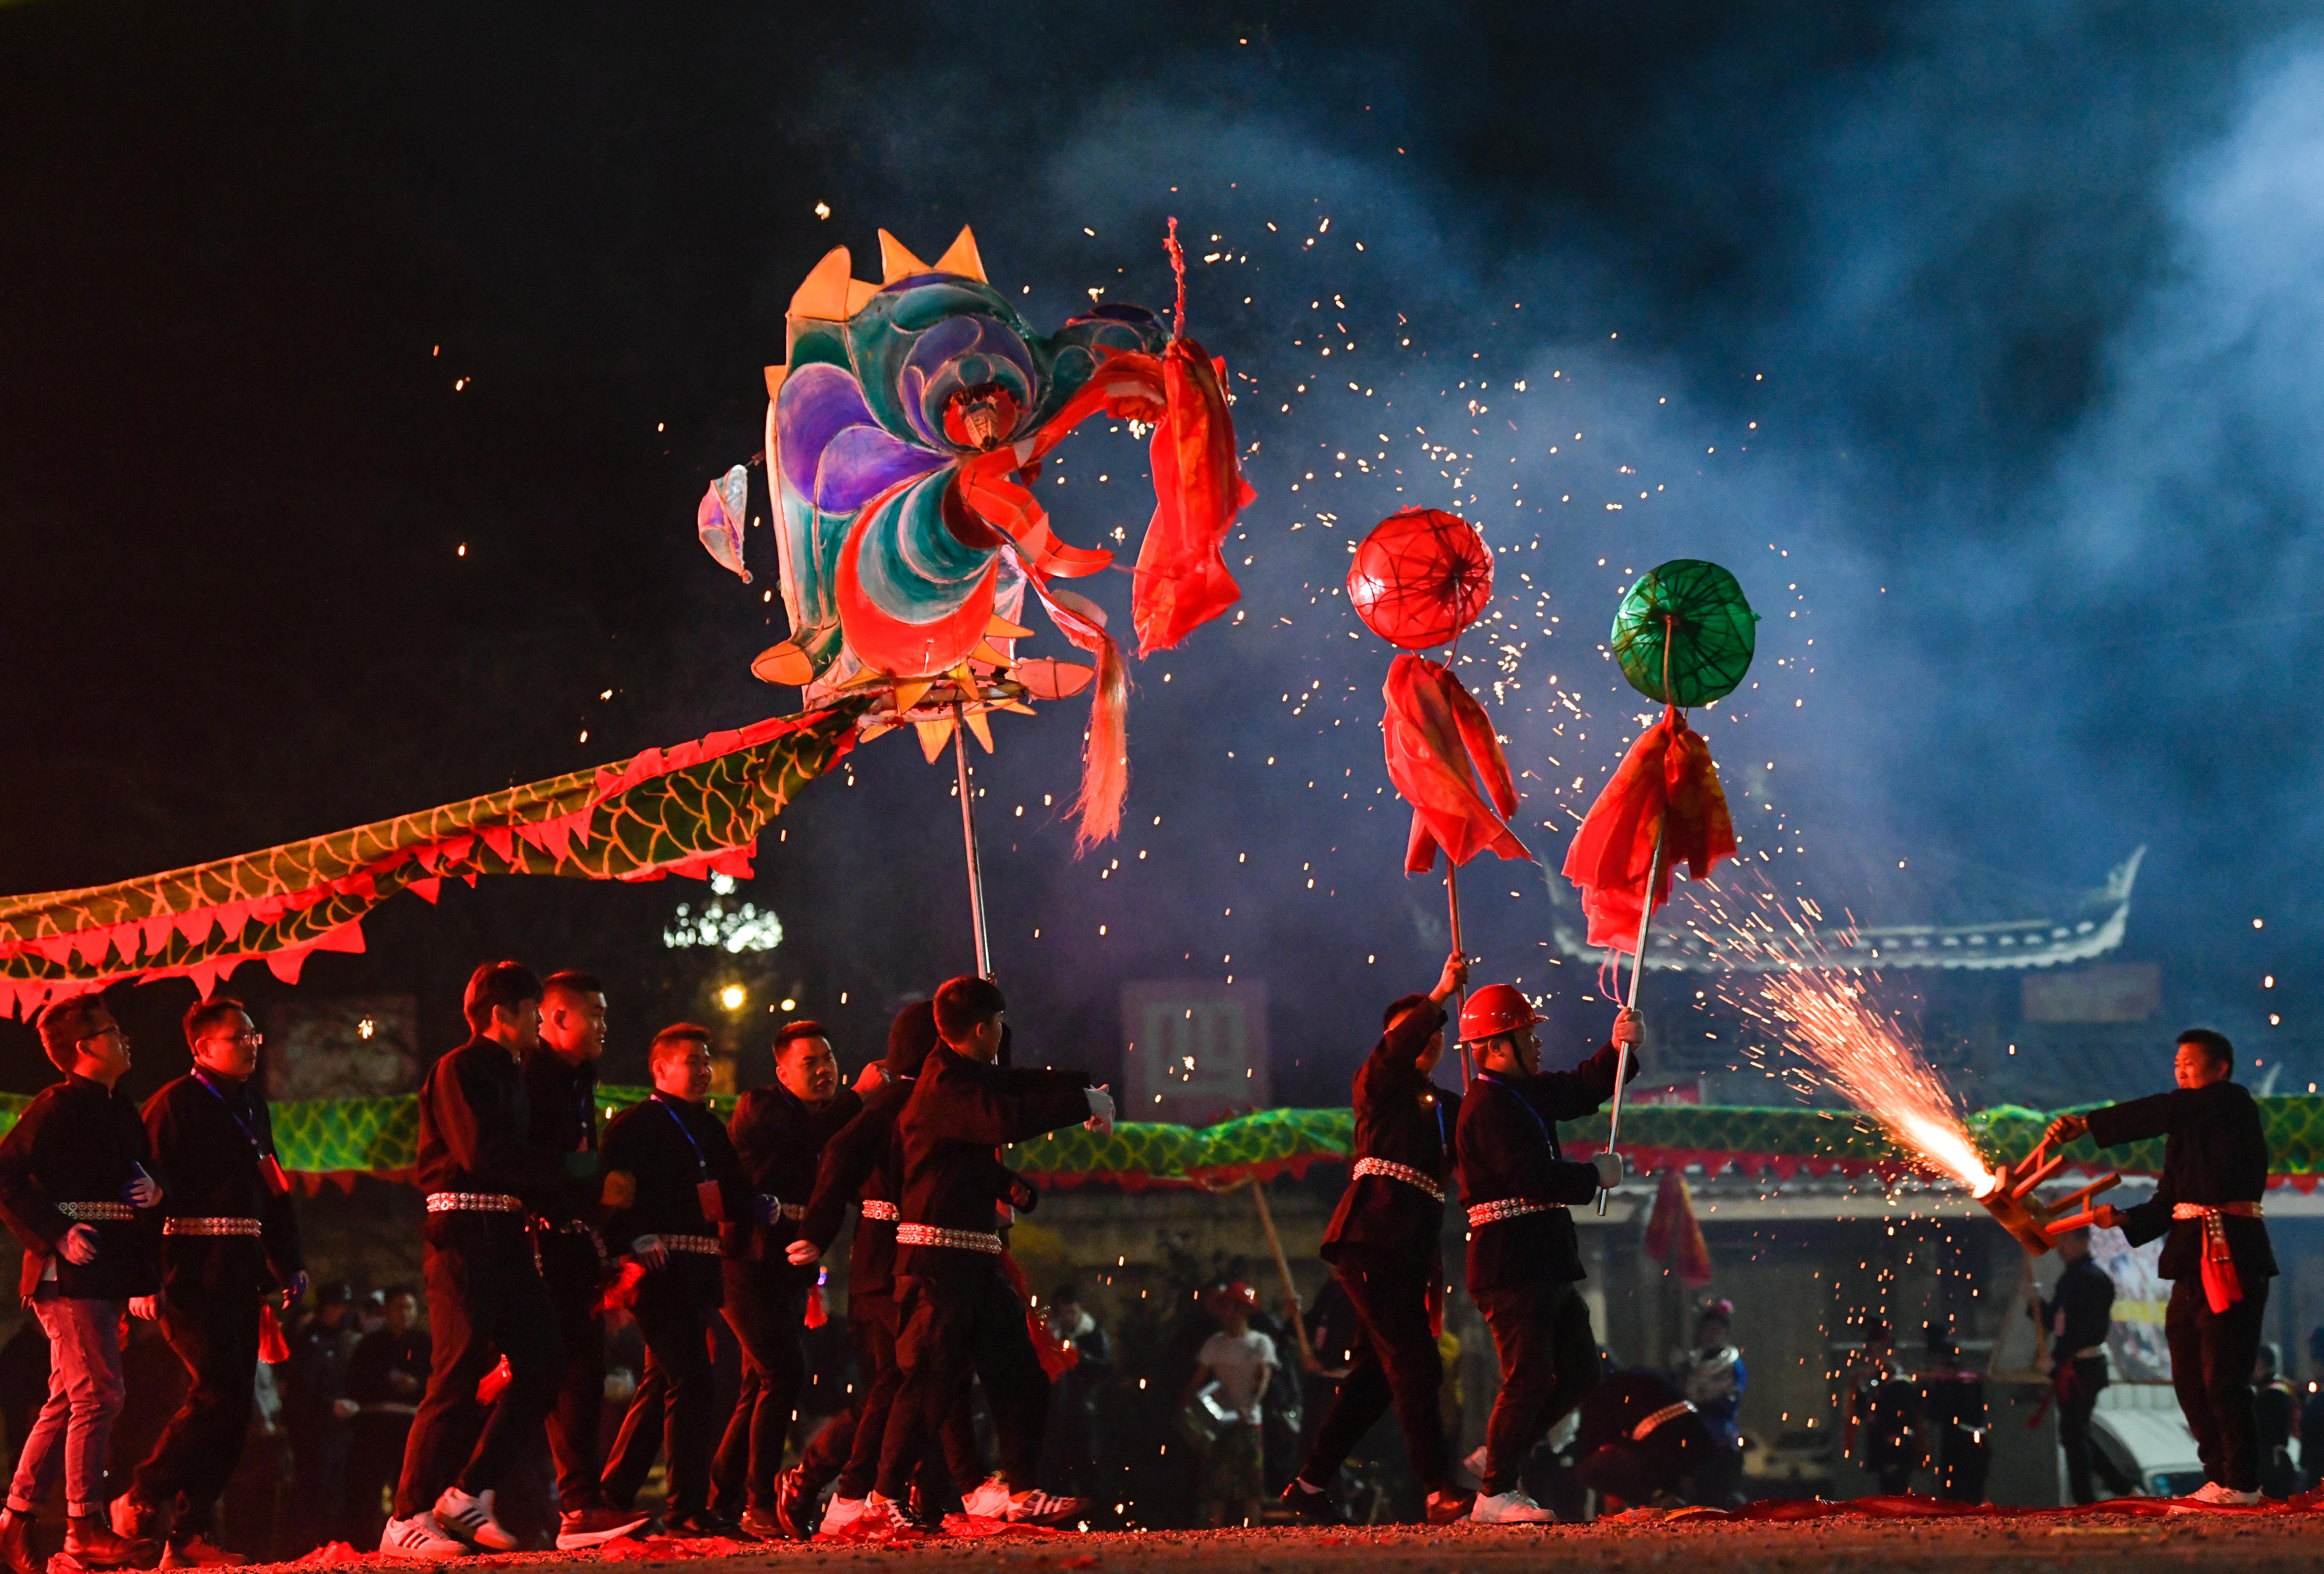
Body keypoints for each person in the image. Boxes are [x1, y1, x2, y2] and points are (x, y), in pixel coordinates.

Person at [870, 975, 1110, 1531]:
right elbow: (1005, 1116)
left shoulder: (966, 1074)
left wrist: (1084, 1088)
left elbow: (1013, 1084)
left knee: (1021, 1376)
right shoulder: (944, 1086)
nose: (1004, 1034)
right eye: (1000, 1025)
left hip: (975, 1260)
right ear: (983, 1029)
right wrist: (1080, 1102)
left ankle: (1023, 1490)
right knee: (929, 1384)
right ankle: (881, 1500)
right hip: (935, 1264)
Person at [382, 961, 570, 1557]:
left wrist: (571, 1181)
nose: (540, 1025)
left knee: (544, 1362)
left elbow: (525, 1158)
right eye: (533, 1013)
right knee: (457, 1372)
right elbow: (483, 1153)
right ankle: (406, 1515)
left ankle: (469, 1488)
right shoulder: (458, 1068)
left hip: (507, 1235)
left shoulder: (516, 1075)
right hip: (462, 1234)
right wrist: (571, 1177)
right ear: (501, 1014)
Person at [112, 997, 308, 1566]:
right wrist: (142, 1277)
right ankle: (143, 1491)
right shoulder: (173, 1104)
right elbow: (142, 1195)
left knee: (237, 1404)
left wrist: (289, 1261)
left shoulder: (253, 1105)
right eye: (236, 1036)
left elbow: (273, 1189)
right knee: (216, 1391)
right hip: (187, 1271)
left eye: (253, 1034)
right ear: (201, 1047)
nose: (251, 1042)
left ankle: (189, 1535)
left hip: (241, 1269)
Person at [2046, 1028, 2276, 1507]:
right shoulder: (2184, 1130)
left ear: (2220, 1069)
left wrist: (2089, 1124)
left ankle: (2244, 1481)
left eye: (2189, 1063)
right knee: (2189, 1376)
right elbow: (2168, 1202)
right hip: (2191, 1260)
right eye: (2176, 1064)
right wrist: (2124, 1219)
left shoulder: (2232, 1104)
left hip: (2232, 1255)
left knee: (2223, 1374)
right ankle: (2218, 1474)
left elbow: (2166, 1109)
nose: (2180, 1070)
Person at [1282, 953, 1471, 1527]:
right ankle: (1438, 1490)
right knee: (1416, 1362)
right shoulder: (1376, 1083)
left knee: (1374, 1377)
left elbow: (1496, 1130)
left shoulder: (1444, 1108)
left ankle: (1309, 1483)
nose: (1431, 1037)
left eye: (1438, 1032)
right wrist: (1438, 995)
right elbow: (1399, 1047)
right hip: (1370, 1239)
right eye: (1419, 1028)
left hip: (1409, 1251)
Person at [790, 1004, 983, 1539]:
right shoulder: (885, 1106)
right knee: (899, 1382)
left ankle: (931, 1493)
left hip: (926, 1254)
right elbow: (836, 1154)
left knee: (932, 1377)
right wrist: (816, 1231)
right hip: (884, 1261)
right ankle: (839, 1486)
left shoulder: (940, 1101)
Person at [1452, 984, 1637, 1524]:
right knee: (1528, 1377)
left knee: (1581, 1373)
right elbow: (1528, 1177)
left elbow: (1581, 1088)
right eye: (1527, 1034)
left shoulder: (1522, 1093)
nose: (1537, 1043)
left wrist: (1618, 1048)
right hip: (1510, 1264)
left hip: (1542, 1260)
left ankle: (1500, 1454)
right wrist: (1591, 1176)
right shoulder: (1485, 1106)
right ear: (1496, 1044)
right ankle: (1494, 1494)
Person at [0, 992, 165, 1574]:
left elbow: (138, 1187)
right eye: (113, 1030)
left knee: (71, 1395)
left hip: (106, 1272)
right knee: (100, 1393)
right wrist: (56, 1233)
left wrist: (155, 1191)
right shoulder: (55, 1106)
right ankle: (83, 1528)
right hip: (65, 1274)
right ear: (84, 1048)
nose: (125, 1038)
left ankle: (16, 1519)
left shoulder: (123, 1109)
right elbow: (5, 1176)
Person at [597, 1025, 760, 1535]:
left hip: (698, 1273)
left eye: (707, 1060)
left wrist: (764, 1207)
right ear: (660, 1068)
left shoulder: (711, 1129)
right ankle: (687, 1508)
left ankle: (613, 1494)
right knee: (693, 1379)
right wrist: (633, 1238)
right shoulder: (634, 1126)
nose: (705, 1070)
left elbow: (734, 1192)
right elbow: (611, 1197)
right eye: (693, 1060)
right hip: (656, 1274)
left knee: (664, 1380)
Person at [713, 1021, 866, 1536]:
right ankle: (760, 1500)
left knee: (758, 1381)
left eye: (829, 1059)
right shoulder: (761, 1108)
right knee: (783, 1372)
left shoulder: (833, 1120)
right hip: (745, 1261)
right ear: (781, 1071)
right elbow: (807, 1136)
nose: (825, 1071)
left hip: (791, 1264)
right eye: (811, 1063)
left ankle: (719, 1497)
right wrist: (858, 1098)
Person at [520, 970, 647, 1551]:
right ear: (555, 1018)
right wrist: (596, 1180)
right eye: (592, 1014)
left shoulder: (578, 1080)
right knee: (544, 1370)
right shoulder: (530, 1077)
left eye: (605, 1013)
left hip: (572, 1241)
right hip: (533, 1240)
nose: (603, 1025)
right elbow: (538, 1162)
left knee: (580, 1368)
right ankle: (454, 1496)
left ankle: (580, 1501)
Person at [2035, 1227, 2130, 1504]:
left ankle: (2088, 1497)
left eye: (2067, 1239)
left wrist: (2056, 1361)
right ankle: (2116, 1487)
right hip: (2074, 1363)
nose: (2061, 1246)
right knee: (2075, 1432)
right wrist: (2036, 1306)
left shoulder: (2090, 1278)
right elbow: (2058, 1320)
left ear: (2083, 1241)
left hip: (2082, 1365)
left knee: (2075, 1432)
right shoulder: (2073, 1277)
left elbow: (2083, 1328)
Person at [1187, 1284, 1276, 1527]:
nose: (1230, 1313)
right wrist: (1192, 1415)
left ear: (1246, 1311)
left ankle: (1254, 1536)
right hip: (1220, 1424)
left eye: (1236, 1308)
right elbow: (1198, 1381)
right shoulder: (1215, 1344)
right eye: (1226, 1307)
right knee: (1218, 1487)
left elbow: (1263, 1379)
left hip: (1248, 1422)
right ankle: (1216, 1538)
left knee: (1252, 1487)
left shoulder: (1260, 1343)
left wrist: (1249, 1407)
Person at [347, 1289, 430, 1552]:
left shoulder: (425, 1344)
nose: (404, 1313)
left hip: (412, 1425)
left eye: (409, 1307)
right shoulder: (371, 1345)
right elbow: (358, 1382)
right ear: (387, 1311)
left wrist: (416, 1385)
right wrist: (386, 1383)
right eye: (398, 1308)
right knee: (369, 1488)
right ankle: (365, 1545)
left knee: (409, 1487)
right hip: (378, 1428)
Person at [1570, 1366, 1712, 1509]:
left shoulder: (1597, 1398)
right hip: (1700, 1442)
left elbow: (1597, 1449)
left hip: (1666, 1445)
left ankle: (1657, 1499)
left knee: (1589, 1470)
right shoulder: (1626, 1379)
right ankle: (1668, 1497)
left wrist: (1613, 1495)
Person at [285, 1284, 359, 1550]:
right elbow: (300, 1388)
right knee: (314, 1486)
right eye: (337, 1306)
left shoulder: (338, 1339)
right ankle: (306, 1546)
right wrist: (328, 1406)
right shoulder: (310, 1340)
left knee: (334, 1489)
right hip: (314, 1429)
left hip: (337, 1428)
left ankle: (329, 1545)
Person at [1668, 1300, 1745, 1508]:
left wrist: (1703, 1403)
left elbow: (1729, 1401)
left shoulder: (1733, 1365)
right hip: (1692, 1439)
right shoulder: (1691, 1364)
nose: (1711, 1334)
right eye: (1707, 1329)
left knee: (1720, 1497)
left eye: (1716, 1330)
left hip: (1720, 1439)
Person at [1042, 1285, 1112, 1504]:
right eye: (1062, 1313)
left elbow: (1106, 1366)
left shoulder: (1092, 1332)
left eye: (1070, 1312)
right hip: (1056, 1412)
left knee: (1087, 1461)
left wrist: (1079, 1357)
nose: (1067, 1318)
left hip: (1085, 1409)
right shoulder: (1050, 1336)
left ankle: (1094, 1511)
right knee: (1057, 1463)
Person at [1843, 1321, 1919, 1495]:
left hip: (1896, 1450)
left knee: (1896, 1495)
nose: (1874, 1356)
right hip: (1881, 1449)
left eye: (1879, 1351)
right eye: (1872, 1352)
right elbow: (1864, 1413)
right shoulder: (1876, 1382)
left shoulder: (1900, 1383)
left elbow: (1903, 1417)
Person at [1918, 1321, 1989, 1504]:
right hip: (1966, 1440)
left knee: (1959, 1497)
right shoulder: (1959, 1373)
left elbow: (1938, 1410)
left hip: (1961, 1444)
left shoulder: (1952, 1377)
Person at [2252, 1344, 2298, 1499]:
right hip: (2276, 1462)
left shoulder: (2271, 1394)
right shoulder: (2279, 1389)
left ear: (2261, 1363)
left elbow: (2265, 1430)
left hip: (2271, 1465)